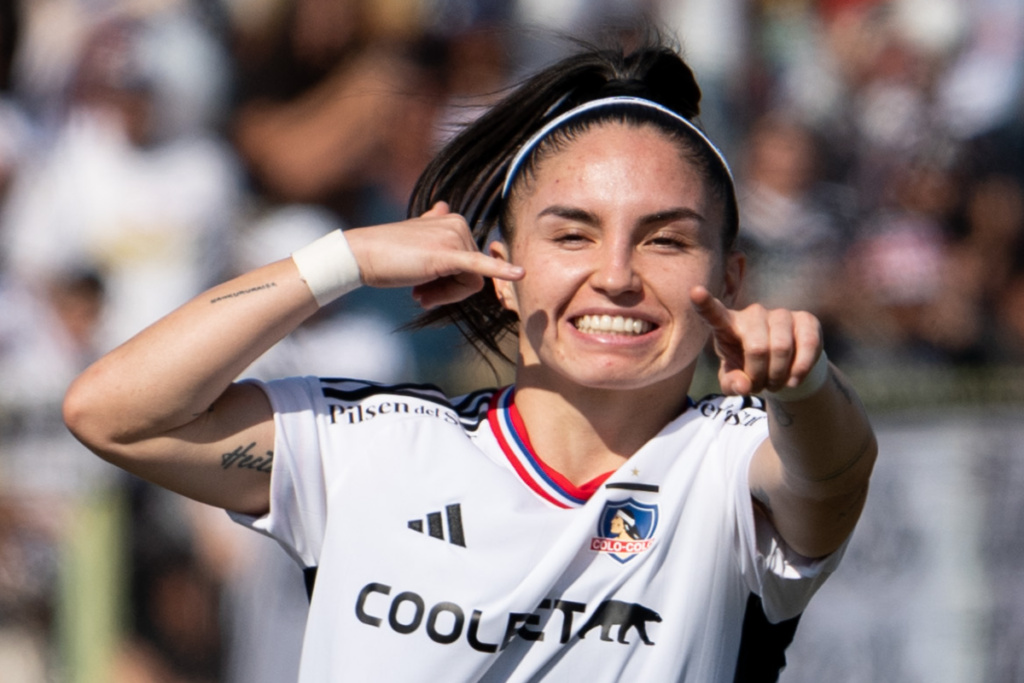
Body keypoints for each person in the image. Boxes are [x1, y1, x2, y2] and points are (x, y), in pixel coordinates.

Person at [63, 34, 878, 683]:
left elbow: (833, 471)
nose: (619, 276)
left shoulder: (731, 462)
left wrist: (803, 381)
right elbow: (111, 411)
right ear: (503, 267)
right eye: (572, 234)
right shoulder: (374, 444)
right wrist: (342, 259)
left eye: (666, 239)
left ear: (729, 277)